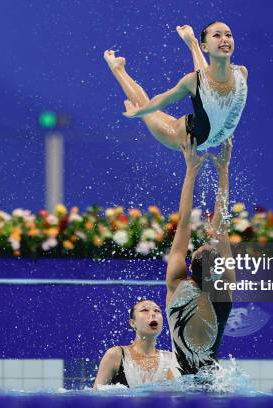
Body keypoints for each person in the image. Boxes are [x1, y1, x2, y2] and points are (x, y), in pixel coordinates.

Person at [104, 21, 248, 151]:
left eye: (228, 35)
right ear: (205, 47)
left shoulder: (241, 73)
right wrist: (139, 112)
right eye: (217, 35)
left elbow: (212, 90)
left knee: (204, 82)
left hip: (212, 130)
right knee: (149, 111)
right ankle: (117, 69)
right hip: (183, 137)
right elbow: (162, 100)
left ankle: (192, 43)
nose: (225, 39)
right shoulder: (192, 81)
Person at [165, 134, 236, 376]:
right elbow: (221, 227)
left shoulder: (176, 285)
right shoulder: (225, 289)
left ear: (192, 260)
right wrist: (223, 171)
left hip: (180, 381)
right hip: (216, 383)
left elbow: (184, 221)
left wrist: (191, 170)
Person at [93, 299, 178, 388]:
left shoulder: (171, 360)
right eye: (145, 310)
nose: (153, 314)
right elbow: (96, 395)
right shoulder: (116, 355)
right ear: (133, 323)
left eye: (157, 310)